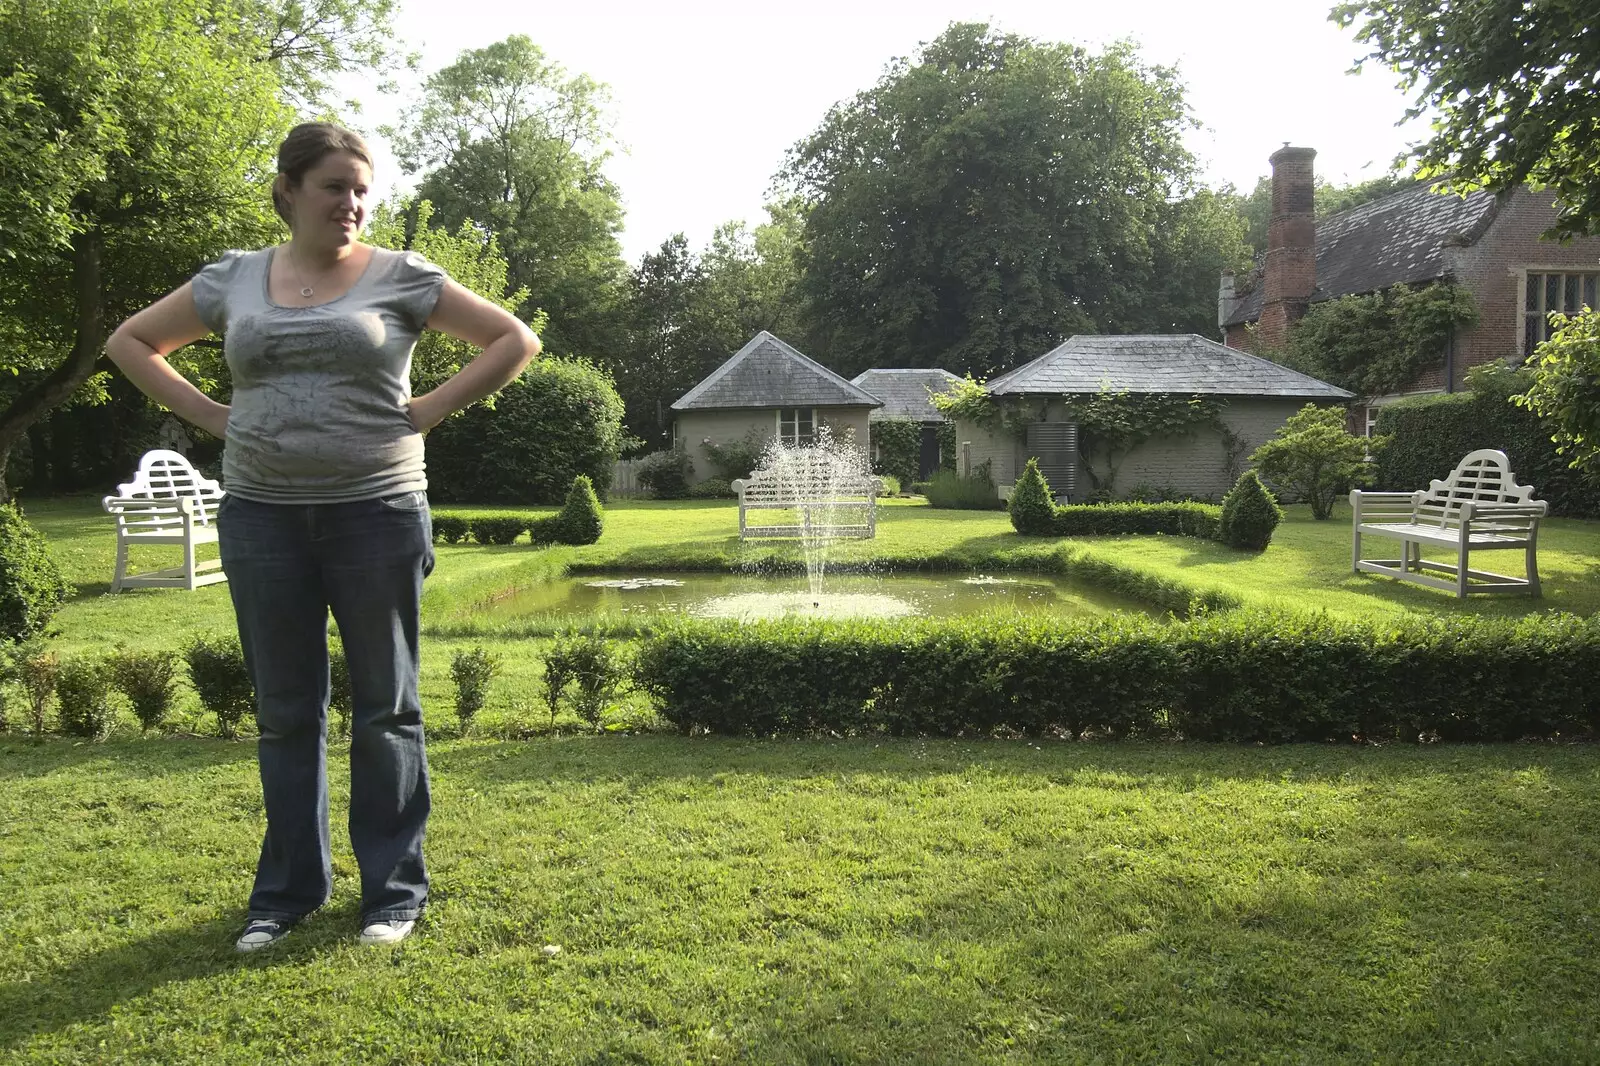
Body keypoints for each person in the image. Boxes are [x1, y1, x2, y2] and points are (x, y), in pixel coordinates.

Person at [105, 122, 540, 952]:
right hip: (261, 516)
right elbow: (129, 340)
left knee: (387, 709)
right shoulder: (233, 279)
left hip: (375, 511)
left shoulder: (401, 276)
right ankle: (287, 893)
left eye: (362, 189)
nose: (353, 203)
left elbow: (513, 339)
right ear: (290, 190)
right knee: (285, 712)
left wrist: (425, 412)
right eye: (335, 185)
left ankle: (394, 893)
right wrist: (208, 414)